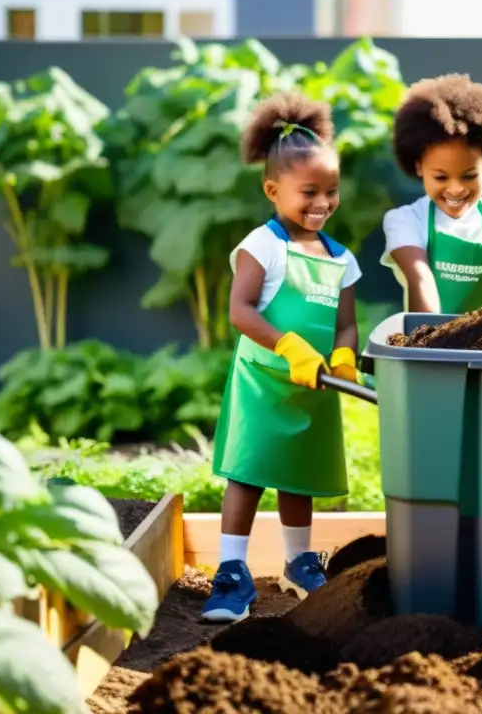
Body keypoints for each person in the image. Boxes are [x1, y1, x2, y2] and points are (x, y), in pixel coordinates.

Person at [202, 92, 363, 622]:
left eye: (331, 192)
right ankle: (231, 572)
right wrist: (290, 346)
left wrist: (343, 355)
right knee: (248, 473)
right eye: (308, 192)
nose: (322, 202)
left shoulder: (342, 259)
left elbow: (345, 321)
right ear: (273, 190)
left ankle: (298, 562)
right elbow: (242, 311)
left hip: (314, 386)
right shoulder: (263, 244)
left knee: (298, 477)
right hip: (265, 380)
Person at [381, 73, 482, 313]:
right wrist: (430, 344)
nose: (456, 188)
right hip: (430, 343)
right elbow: (420, 277)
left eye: (469, 175)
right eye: (441, 177)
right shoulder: (405, 220)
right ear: (419, 166)